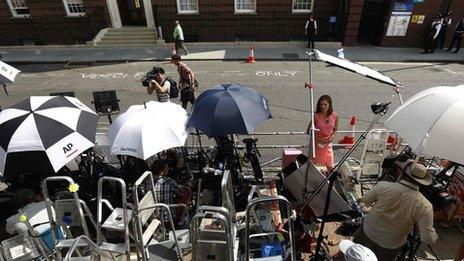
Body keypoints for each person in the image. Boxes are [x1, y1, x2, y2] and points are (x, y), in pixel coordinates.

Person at [353, 160, 438, 261]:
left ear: (402, 173)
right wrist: (435, 235)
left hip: (368, 232)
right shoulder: (425, 205)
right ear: (422, 182)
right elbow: (428, 239)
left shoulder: (383, 186)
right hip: (390, 245)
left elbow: (365, 201)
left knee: (354, 256)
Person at [152, 159, 191, 226]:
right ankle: (181, 220)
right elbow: (180, 193)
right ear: (161, 171)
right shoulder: (169, 181)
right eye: (166, 168)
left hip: (153, 216)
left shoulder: (149, 182)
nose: (168, 169)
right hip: (168, 217)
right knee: (187, 191)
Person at [306, 95, 338, 173]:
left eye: (325, 104)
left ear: (329, 105)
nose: (323, 107)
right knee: (315, 166)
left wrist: (332, 137)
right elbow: (308, 130)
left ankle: (330, 184)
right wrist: (319, 139)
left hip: (328, 143)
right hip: (317, 145)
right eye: (321, 105)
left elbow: (336, 129)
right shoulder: (316, 116)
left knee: (330, 166)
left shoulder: (335, 115)